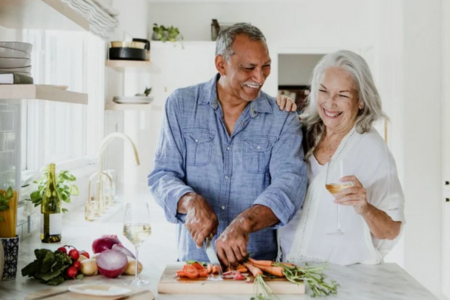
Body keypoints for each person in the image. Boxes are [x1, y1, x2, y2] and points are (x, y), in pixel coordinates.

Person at [148, 23, 308, 266]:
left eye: (266, 66)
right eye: (248, 68)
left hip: (257, 266)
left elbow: (289, 186)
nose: (260, 77)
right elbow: (162, 175)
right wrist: (190, 201)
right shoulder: (180, 105)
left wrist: (244, 223)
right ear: (221, 64)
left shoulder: (282, 117)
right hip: (194, 264)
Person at [277, 50, 405, 266]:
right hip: (288, 268)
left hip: (340, 278)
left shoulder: (373, 150)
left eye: (342, 95)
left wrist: (365, 208)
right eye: (324, 91)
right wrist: (275, 110)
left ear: (361, 101)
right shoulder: (301, 132)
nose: (330, 103)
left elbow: (391, 230)